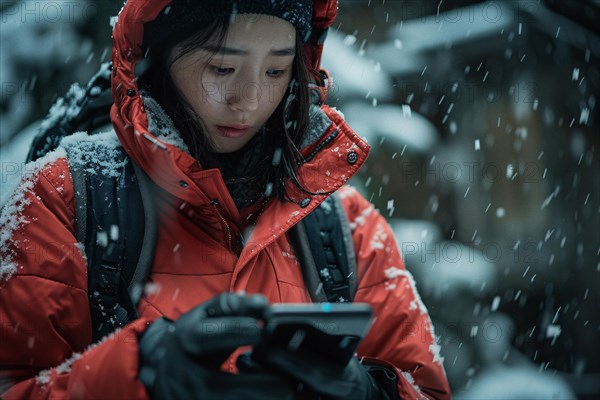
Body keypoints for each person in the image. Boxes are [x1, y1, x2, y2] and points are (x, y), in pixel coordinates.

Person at [0, 0, 451, 398]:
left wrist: (368, 391)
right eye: (222, 68)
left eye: (276, 70)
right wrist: (143, 373)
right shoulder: (69, 196)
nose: (250, 99)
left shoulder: (345, 227)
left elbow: (423, 386)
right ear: (161, 55)